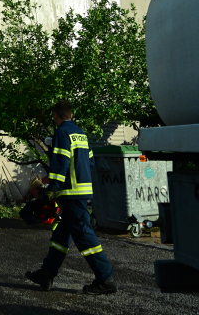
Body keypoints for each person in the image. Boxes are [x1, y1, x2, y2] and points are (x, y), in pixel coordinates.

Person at [26, 100, 117, 295]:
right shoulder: (81, 134)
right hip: (81, 191)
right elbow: (90, 162)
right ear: (72, 115)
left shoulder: (61, 132)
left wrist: (52, 189)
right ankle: (46, 274)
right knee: (61, 236)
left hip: (71, 193)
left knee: (85, 236)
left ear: (56, 116)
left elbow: (60, 163)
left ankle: (106, 278)